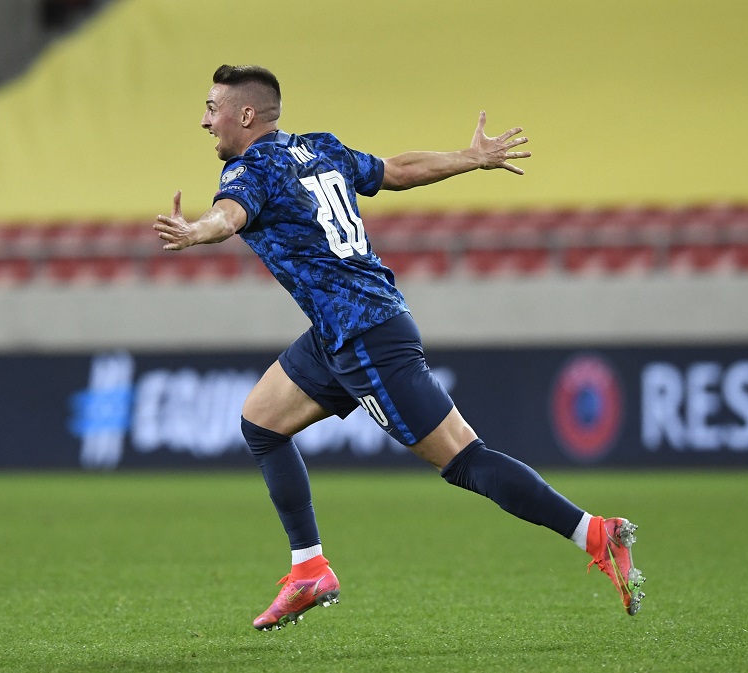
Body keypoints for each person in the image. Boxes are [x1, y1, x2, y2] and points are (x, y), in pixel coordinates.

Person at [154, 64, 646, 631]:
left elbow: (229, 215)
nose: (205, 120)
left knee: (465, 460)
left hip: (365, 338)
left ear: (245, 115)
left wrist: (195, 232)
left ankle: (595, 534)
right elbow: (397, 171)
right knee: (261, 424)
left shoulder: (250, 170)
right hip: (341, 331)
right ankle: (309, 568)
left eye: (212, 108)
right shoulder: (320, 148)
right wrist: (470, 158)